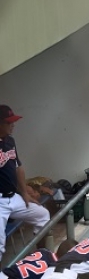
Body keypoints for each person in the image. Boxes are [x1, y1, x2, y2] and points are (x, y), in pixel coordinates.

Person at [0, 105, 50, 262]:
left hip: (13, 197)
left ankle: (41, 258)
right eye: (9, 122)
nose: (13, 125)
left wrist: (24, 193)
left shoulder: (10, 141)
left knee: (43, 215)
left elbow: (18, 168)